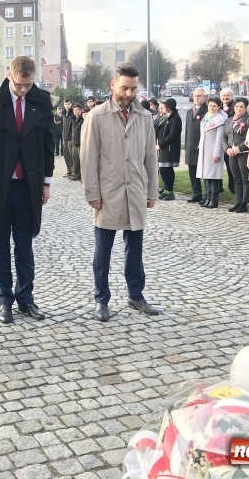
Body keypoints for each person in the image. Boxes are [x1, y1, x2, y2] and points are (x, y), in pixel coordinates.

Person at [0, 56, 54, 324]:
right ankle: (4, 298)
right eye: (19, 85)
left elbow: (48, 144)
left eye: (28, 85)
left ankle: (26, 298)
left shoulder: (41, 100)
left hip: (28, 185)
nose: (23, 90)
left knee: (25, 245)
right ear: (9, 75)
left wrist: (46, 182)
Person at [79, 62, 160, 321]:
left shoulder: (145, 117)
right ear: (113, 85)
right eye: (124, 88)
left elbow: (150, 157)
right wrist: (92, 192)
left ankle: (136, 294)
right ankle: (101, 299)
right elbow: (88, 158)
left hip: (135, 190)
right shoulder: (97, 116)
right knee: (102, 253)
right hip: (108, 191)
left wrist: (152, 190)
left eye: (134, 89)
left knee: (135, 251)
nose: (129, 94)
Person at [196, 97, 227, 209]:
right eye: (210, 105)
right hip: (204, 150)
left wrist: (217, 153)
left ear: (219, 107)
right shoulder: (206, 117)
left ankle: (214, 199)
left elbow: (219, 138)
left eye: (214, 106)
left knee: (214, 176)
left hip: (213, 150)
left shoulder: (220, 119)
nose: (212, 108)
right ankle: (208, 197)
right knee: (207, 176)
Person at [222, 97, 249, 213]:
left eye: (241, 107)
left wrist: (239, 148)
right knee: (236, 179)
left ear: (245, 108)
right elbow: (224, 136)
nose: (239, 109)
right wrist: (227, 148)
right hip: (231, 153)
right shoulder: (229, 120)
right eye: (237, 106)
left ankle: (245, 203)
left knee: (245, 178)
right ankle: (238, 201)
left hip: (243, 152)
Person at [155, 98, 181, 201]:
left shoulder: (175, 119)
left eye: (163, 106)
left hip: (169, 148)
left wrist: (160, 144)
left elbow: (173, 135)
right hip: (163, 147)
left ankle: (170, 191)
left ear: (169, 107)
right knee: (164, 170)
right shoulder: (165, 117)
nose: (161, 109)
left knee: (165, 170)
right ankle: (166, 189)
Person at [185, 88, 207, 203]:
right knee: (192, 170)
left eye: (199, 96)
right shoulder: (189, 112)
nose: (197, 98)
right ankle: (196, 192)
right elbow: (188, 129)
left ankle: (209, 193)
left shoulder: (207, 110)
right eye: (195, 96)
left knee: (205, 171)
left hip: (201, 144)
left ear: (204, 97)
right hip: (190, 145)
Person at [219, 88, 235, 194]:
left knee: (231, 166)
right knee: (217, 165)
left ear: (232, 96)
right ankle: (218, 186)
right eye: (223, 95)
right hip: (218, 140)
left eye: (228, 95)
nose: (225, 97)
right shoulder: (218, 106)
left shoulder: (235, 107)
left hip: (230, 141)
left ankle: (232, 186)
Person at [69, 103, 84, 180]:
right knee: (75, 159)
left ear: (81, 110)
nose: (74, 111)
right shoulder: (73, 118)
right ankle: (76, 174)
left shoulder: (83, 119)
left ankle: (82, 175)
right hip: (74, 142)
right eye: (74, 110)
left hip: (81, 142)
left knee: (82, 160)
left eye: (76, 110)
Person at [61, 99, 74, 176]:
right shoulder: (63, 113)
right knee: (66, 156)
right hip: (64, 137)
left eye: (68, 104)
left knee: (72, 156)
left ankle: (73, 171)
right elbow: (62, 126)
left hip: (71, 138)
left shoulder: (73, 113)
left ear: (71, 104)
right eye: (65, 104)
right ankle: (68, 171)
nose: (67, 105)